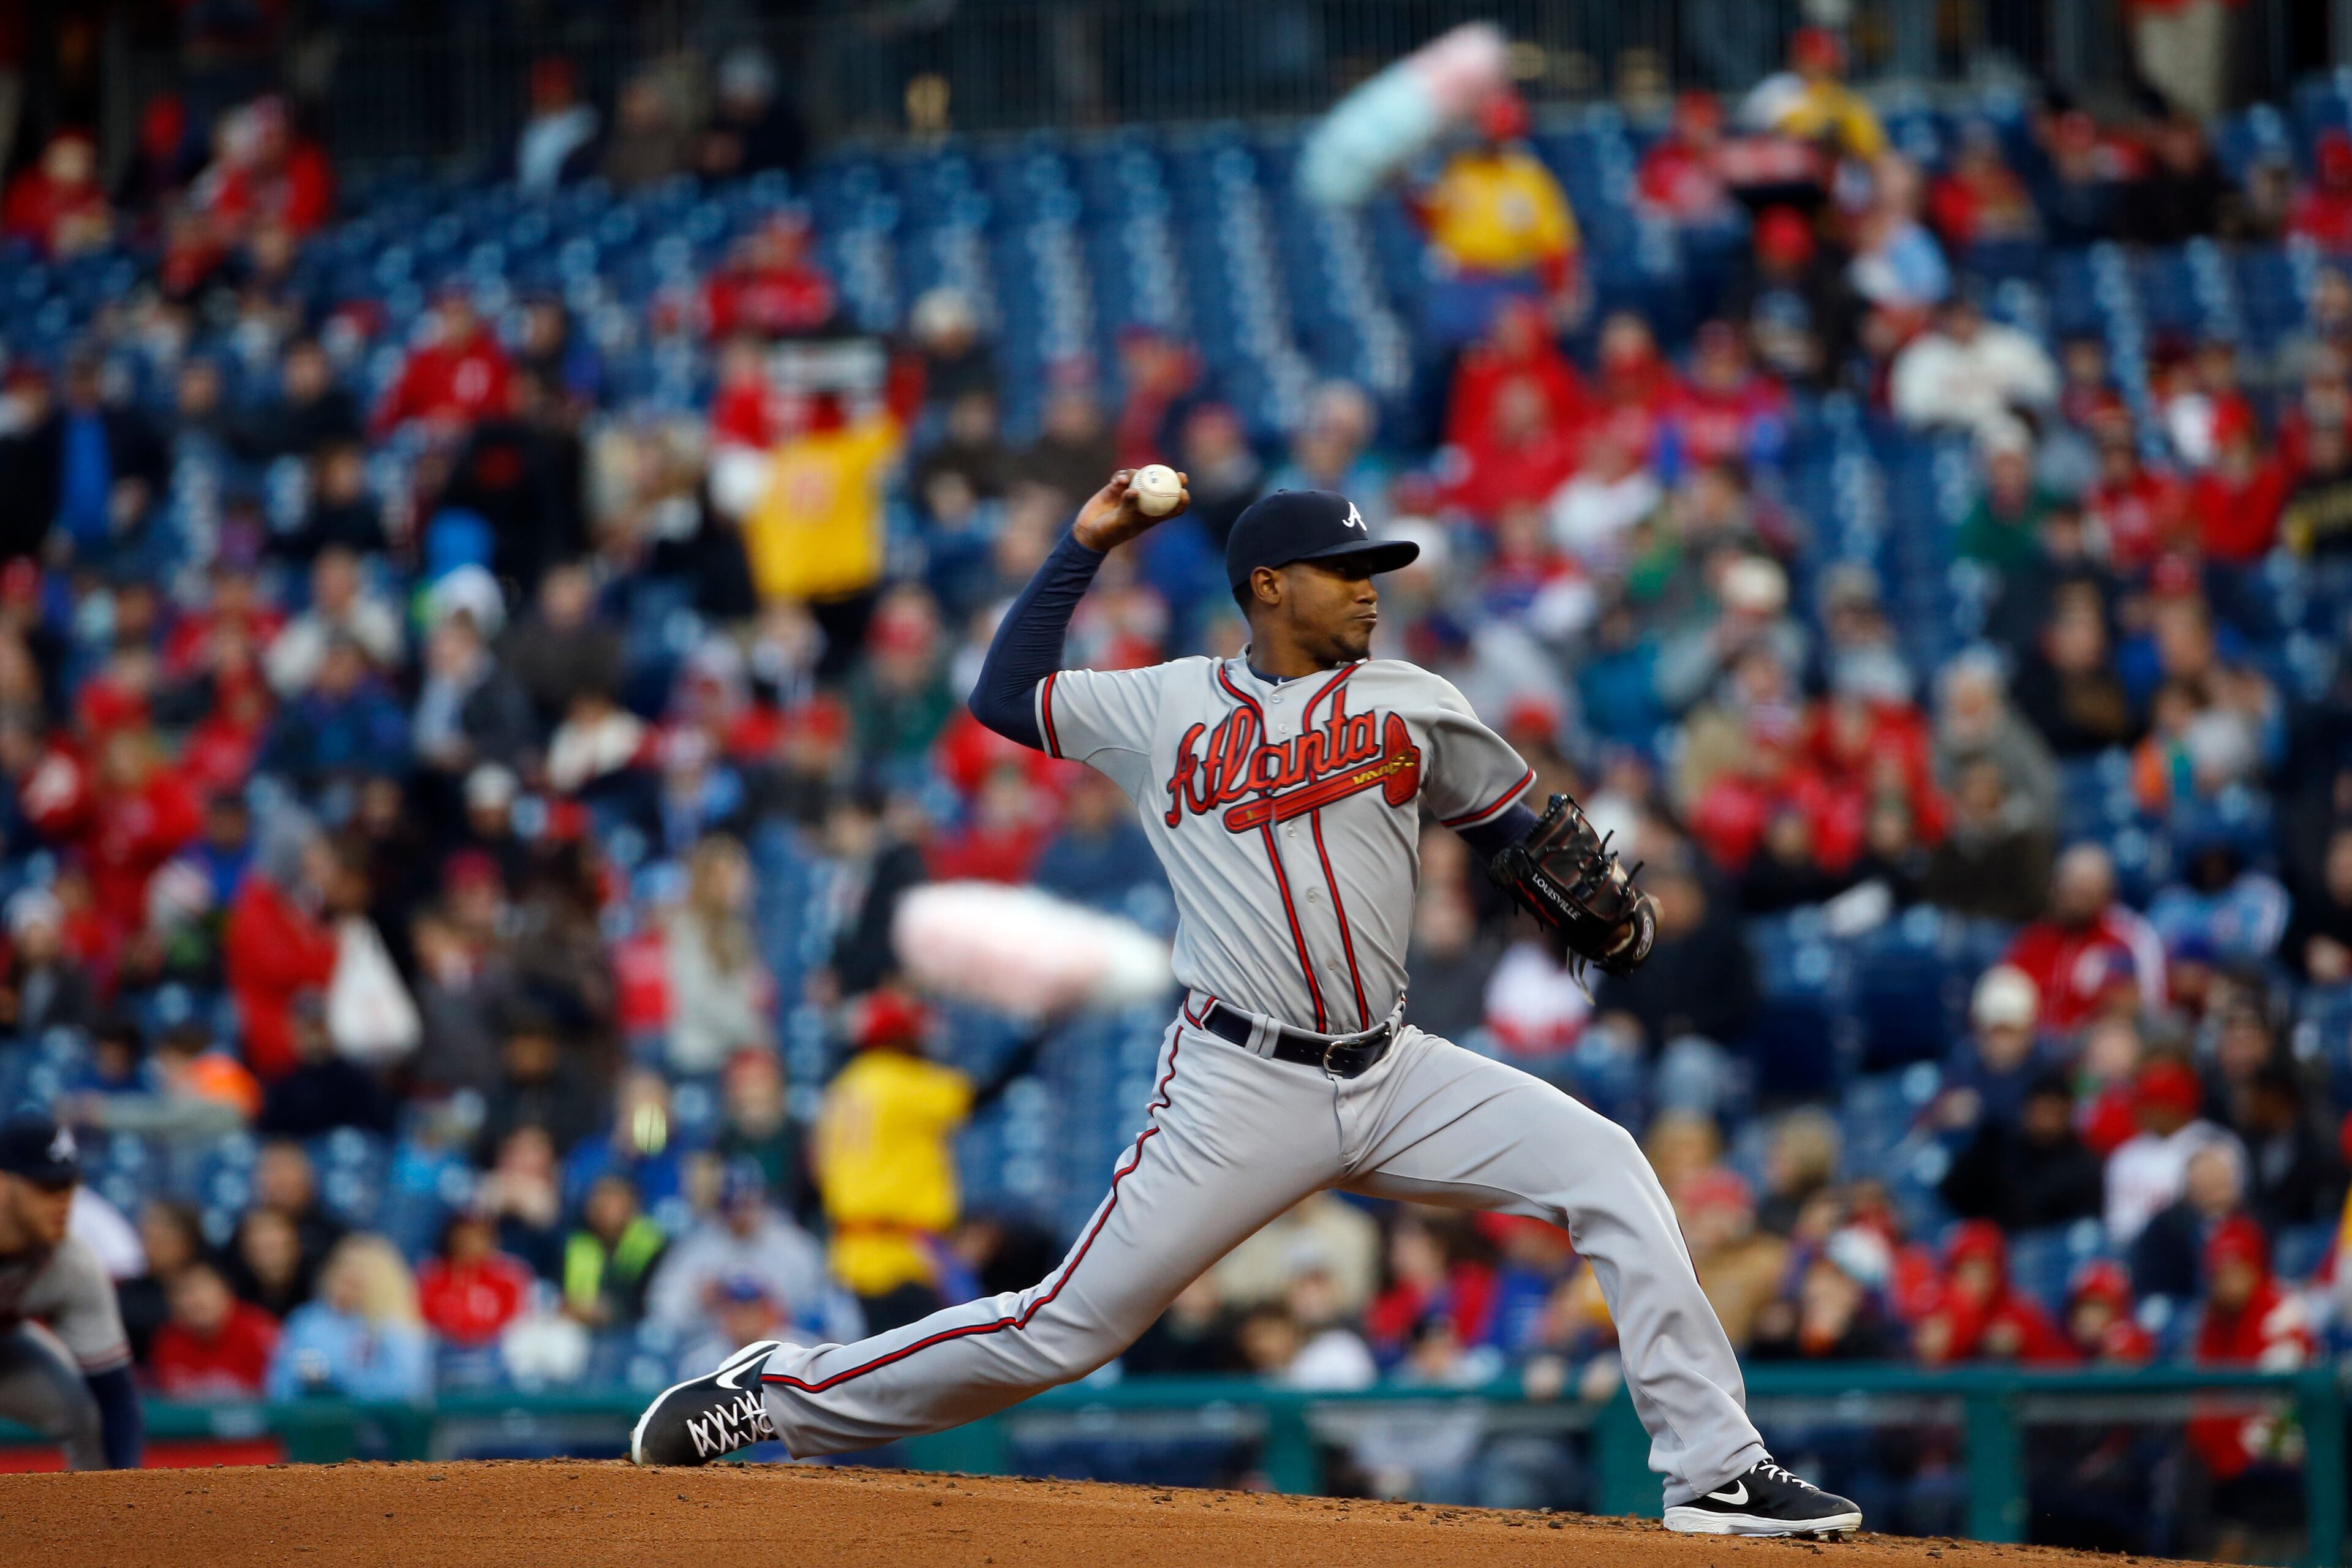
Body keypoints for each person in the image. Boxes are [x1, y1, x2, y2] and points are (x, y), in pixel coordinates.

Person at [630, 473, 1862, 1537]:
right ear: (1270, 584)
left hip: (1396, 1070)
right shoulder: (1161, 704)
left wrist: (1581, 883)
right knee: (1065, 1327)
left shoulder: (1414, 699)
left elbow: (1523, 831)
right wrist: (1087, 541)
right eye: (1347, 571)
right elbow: (1005, 695)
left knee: (1610, 1167)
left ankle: (1717, 1470)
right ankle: (780, 1392)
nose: (1373, 589)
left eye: (1377, 569)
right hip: (1240, 1081)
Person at [812, 990, 1041, 1332]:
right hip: (898, 1260)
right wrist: (1032, 1041)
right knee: (922, 1367)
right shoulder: (901, 1080)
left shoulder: (843, 1088)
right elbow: (982, 1093)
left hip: (849, 1255)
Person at [0, 1114, 143, 1468]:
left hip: (5, 1349)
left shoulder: (73, 1263)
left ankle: (106, 1522)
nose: (64, 1199)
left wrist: (130, 1494)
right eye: (47, 1186)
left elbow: (115, 1396)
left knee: (87, 1415)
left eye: (70, 1183)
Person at [266, 1235, 432, 1402]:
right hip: (314, 1420)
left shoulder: (396, 1326)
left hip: (377, 1423)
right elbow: (283, 1384)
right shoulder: (307, 1322)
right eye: (343, 1266)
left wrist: (341, 1382)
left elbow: (407, 1386)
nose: (349, 1275)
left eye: (361, 1269)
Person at [148, 1261, 278, 1399]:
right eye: (185, 1293)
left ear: (227, 1293)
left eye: (203, 1289)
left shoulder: (259, 1332)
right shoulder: (167, 1342)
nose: (196, 1301)